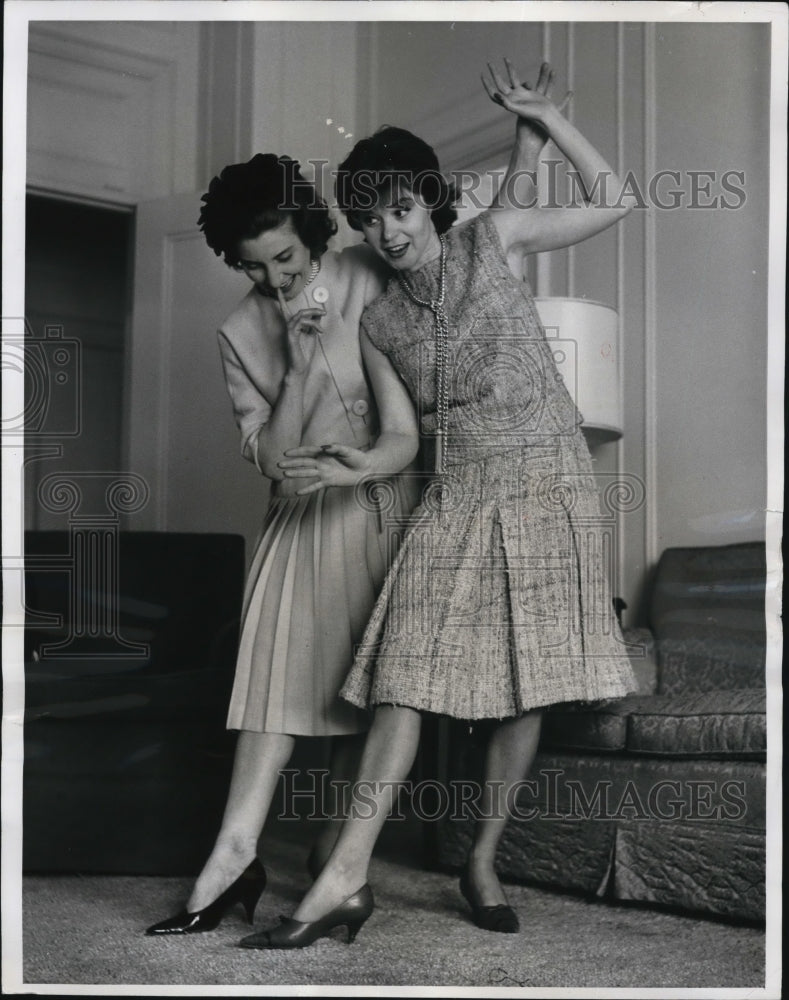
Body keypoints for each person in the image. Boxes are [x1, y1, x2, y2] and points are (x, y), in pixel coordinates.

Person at [239, 59, 638, 950]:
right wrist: (350, 470)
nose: (386, 231)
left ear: (429, 202)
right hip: (454, 490)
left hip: (546, 480)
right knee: (403, 676)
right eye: (370, 214)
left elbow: (614, 198)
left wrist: (540, 120)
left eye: (402, 207)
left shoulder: (494, 239)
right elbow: (399, 441)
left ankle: (482, 858)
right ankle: (346, 874)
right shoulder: (379, 323)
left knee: (525, 688)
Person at [146, 66, 552, 936]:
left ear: (314, 235)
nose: (276, 281)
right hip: (306, 525)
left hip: (401, 511)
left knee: (370, 698)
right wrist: (294, 363)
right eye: (254, 270)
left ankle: (343, 871)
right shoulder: (237, 333)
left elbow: (482, 248)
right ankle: (231, 860)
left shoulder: (374, 262)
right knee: (276, 693)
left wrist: (530, 135)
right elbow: (273, 462)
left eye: (287, 260)